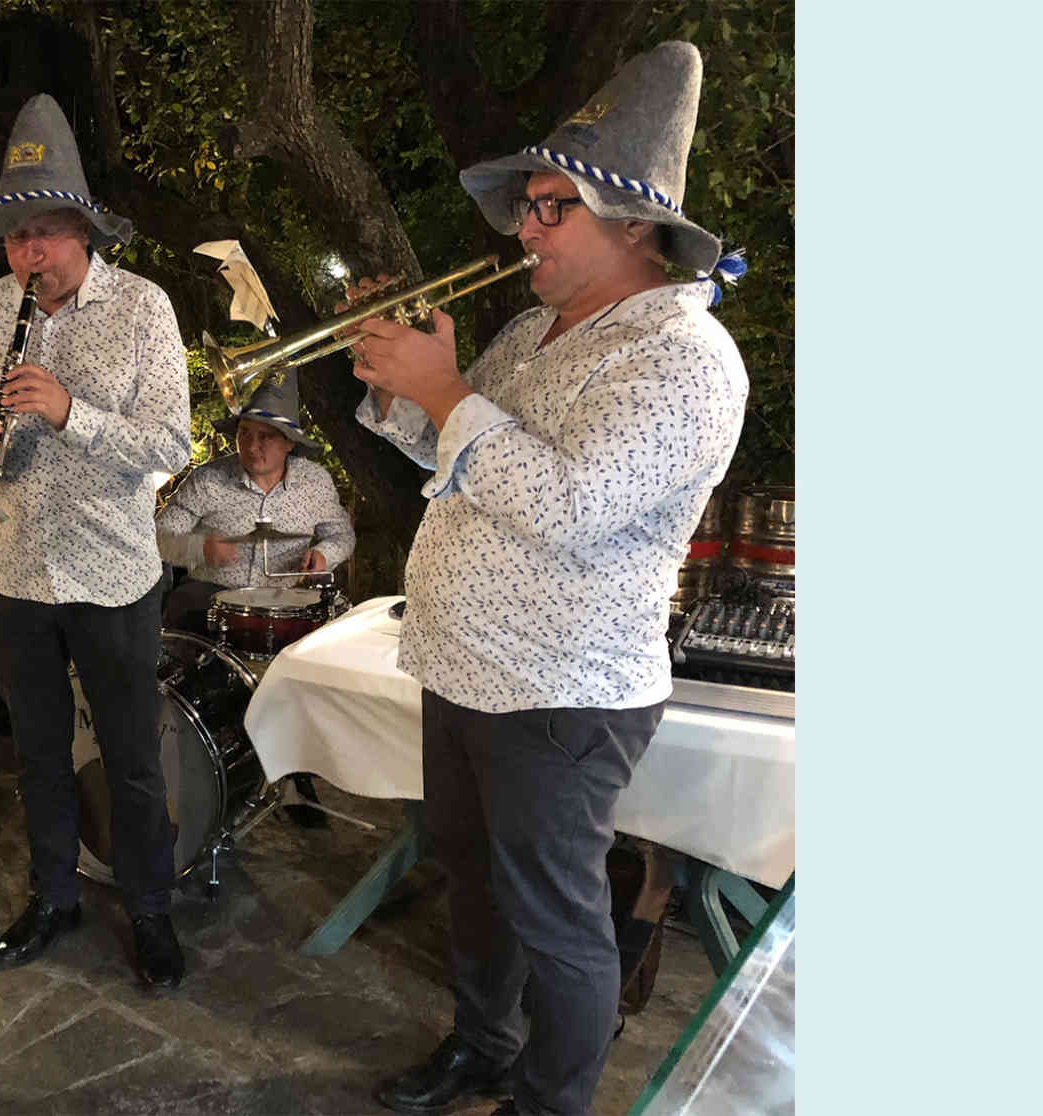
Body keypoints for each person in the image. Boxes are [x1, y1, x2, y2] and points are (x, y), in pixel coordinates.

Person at [344, 43, 748, 1116]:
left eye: (550, 208)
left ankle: (552, 1100)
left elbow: (570, 506)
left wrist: (446, 396)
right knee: (471, 887)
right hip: (463, 666)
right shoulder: (531, 329)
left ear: (630, 224)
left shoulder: (682, 358)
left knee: (558, 921)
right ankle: (482, 1046)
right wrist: (401, 392)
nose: (524, 227)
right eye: (527, 205)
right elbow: (462, 460)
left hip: (559, 689)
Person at [0, 95, 193, 989]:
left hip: (114, 570)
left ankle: (151, 908)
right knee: (33, 751)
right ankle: (53, 895)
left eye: (43, 231)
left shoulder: (145, 309)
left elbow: (170, 444)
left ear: (82, 232)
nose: (27, 253)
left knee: (129, 756)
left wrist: (71, 413)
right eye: (13, 238)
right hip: (16, 568)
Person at [154, 377, 355, 635]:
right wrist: (199, 548)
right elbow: (158, 537)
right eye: (244, 433)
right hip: (209, 603)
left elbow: (341, 535)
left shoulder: (315, 481)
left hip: (286, 607)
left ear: (289, 442)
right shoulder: (207, 480)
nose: (251, 446)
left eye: (265, 436)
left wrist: (324, 554)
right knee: (184, 605)